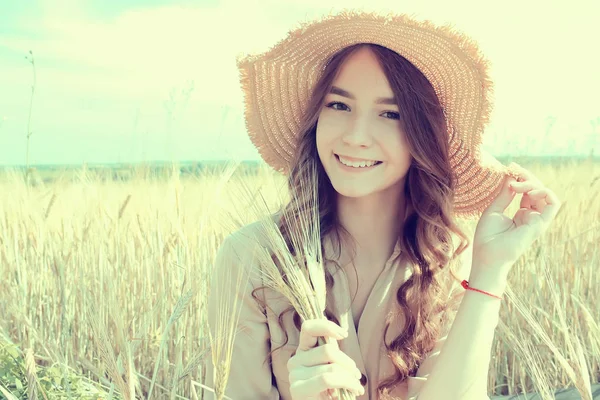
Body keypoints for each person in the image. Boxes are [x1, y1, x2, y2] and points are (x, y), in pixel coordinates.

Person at [203, 9, 561, 400]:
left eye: (390, 113)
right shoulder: (251, 258)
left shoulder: (453, 260)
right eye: (338, 105)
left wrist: (491, 272)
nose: (356, 136)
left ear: (422, 135)